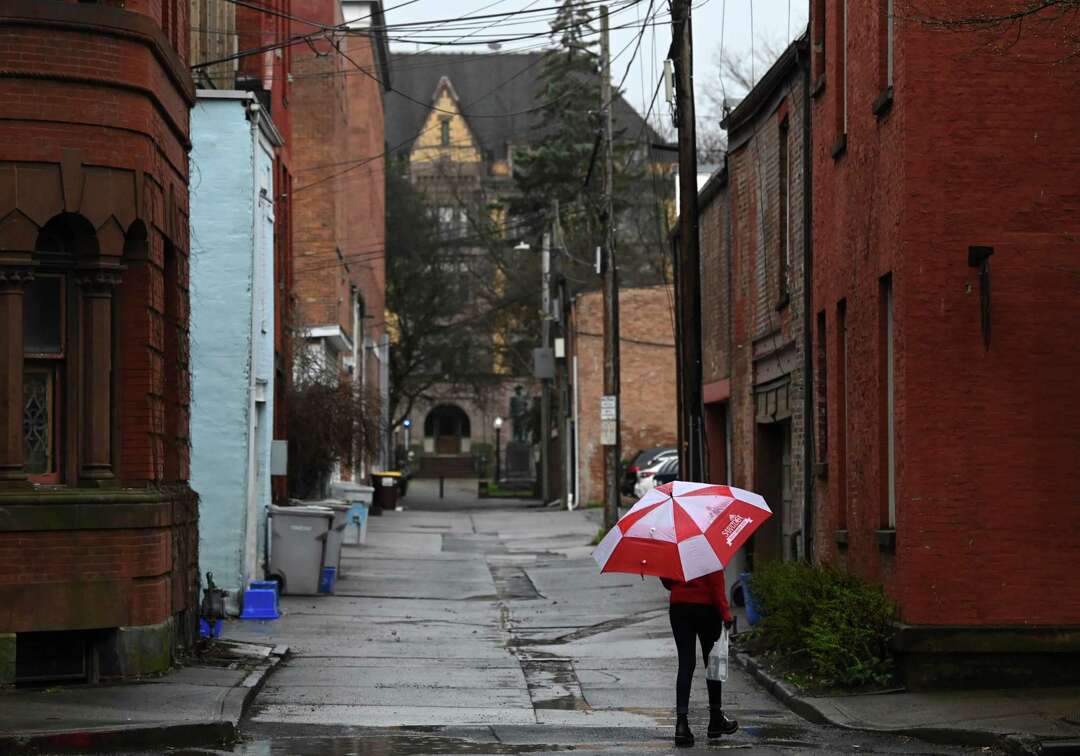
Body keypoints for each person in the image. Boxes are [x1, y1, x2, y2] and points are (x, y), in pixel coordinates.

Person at [662, 570, 739, 747]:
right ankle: (715, 719)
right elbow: (715, 583)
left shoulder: (676, 546)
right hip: (706, 607)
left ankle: (681, 725)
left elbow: (667, 580)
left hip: (679, 608)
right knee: (713, 662)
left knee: (685, 663)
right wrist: (726, 614)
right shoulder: (708, 546)